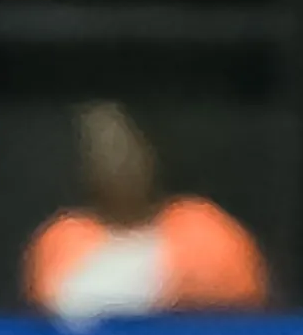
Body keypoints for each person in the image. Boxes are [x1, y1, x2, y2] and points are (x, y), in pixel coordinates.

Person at [23, 102, 266, 321]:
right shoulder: (59, 240)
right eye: (98, 151)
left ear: (148, 150)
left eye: (122, 146)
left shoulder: (205, 227)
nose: (115, 162)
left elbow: (247, 320)